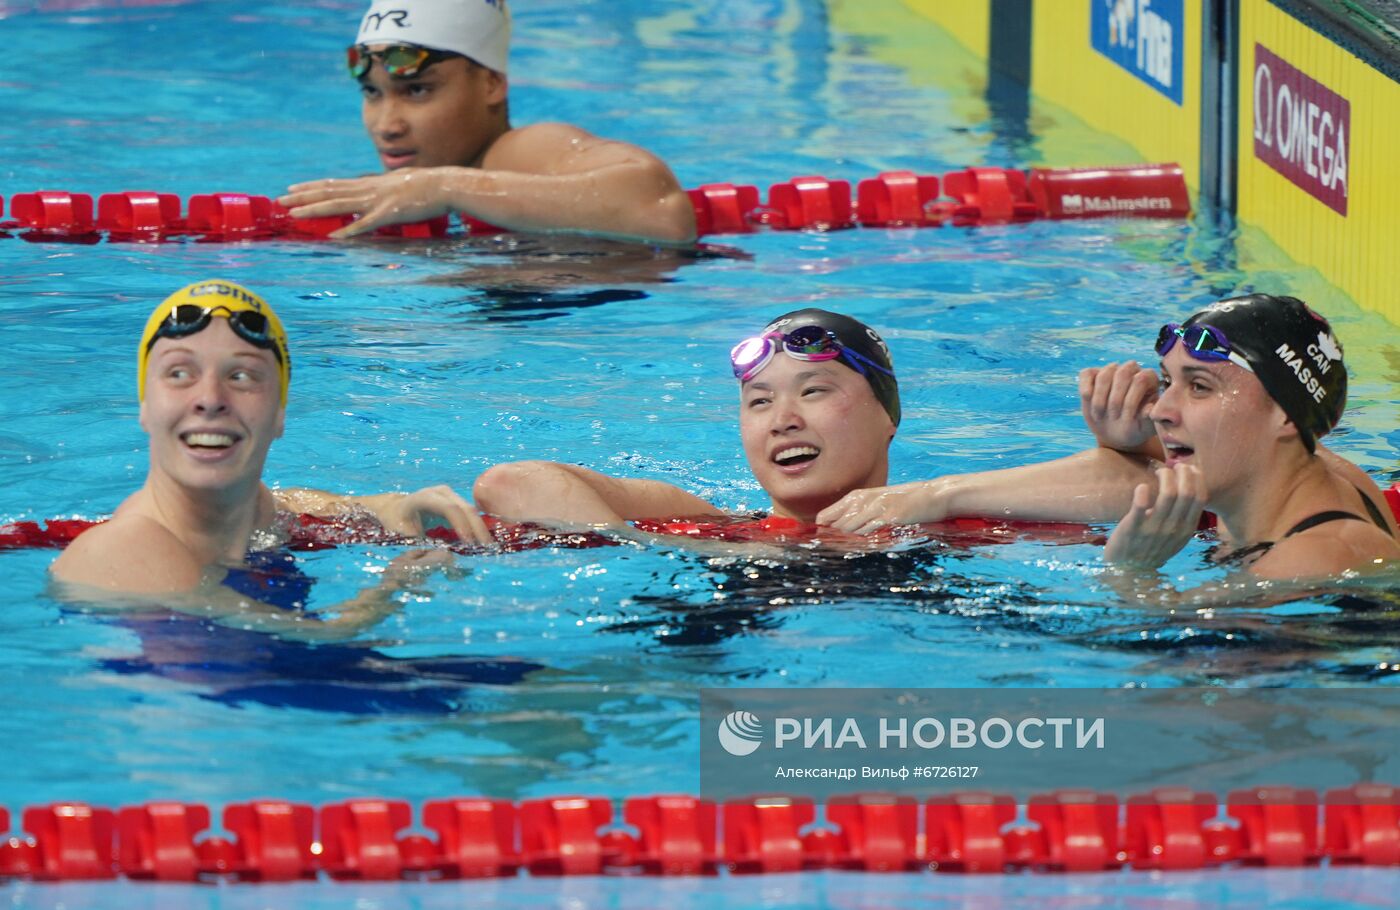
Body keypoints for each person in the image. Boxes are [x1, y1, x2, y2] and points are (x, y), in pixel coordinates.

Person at [818, 294, 1400, 579]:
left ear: (1284, 415)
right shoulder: (1289, 466)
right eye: (1167, 382)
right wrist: (1125, 442)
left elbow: (1183, 702)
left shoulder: (1315, 558)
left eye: (1199, 388)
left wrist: (1133, 575)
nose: (1163, 411)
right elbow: (1135, 479)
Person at [50, 279, 496, 640]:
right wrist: (392, 587)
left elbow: (298, 504)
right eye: (179, 373)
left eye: (241, 375)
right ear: (144, 406)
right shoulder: (128, 549)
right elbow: (317, 639)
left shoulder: (257, 511)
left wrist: (395, 504)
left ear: (280, 413)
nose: (210, 399)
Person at [278, 0, 697, 245]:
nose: (387, 125)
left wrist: (445, 186)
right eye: (372, 93)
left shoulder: (520, 153)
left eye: (418, 90)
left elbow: (663, 210)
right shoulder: (410, 192)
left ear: (491, 84)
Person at [472, 309, 902, 534]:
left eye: (812, 392)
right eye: (759, 402)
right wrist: (658, 550)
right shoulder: (711, 526)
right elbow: (510, 483)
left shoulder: (948, 522)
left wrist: (932, 497)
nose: (781, 421)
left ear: (888, 416)